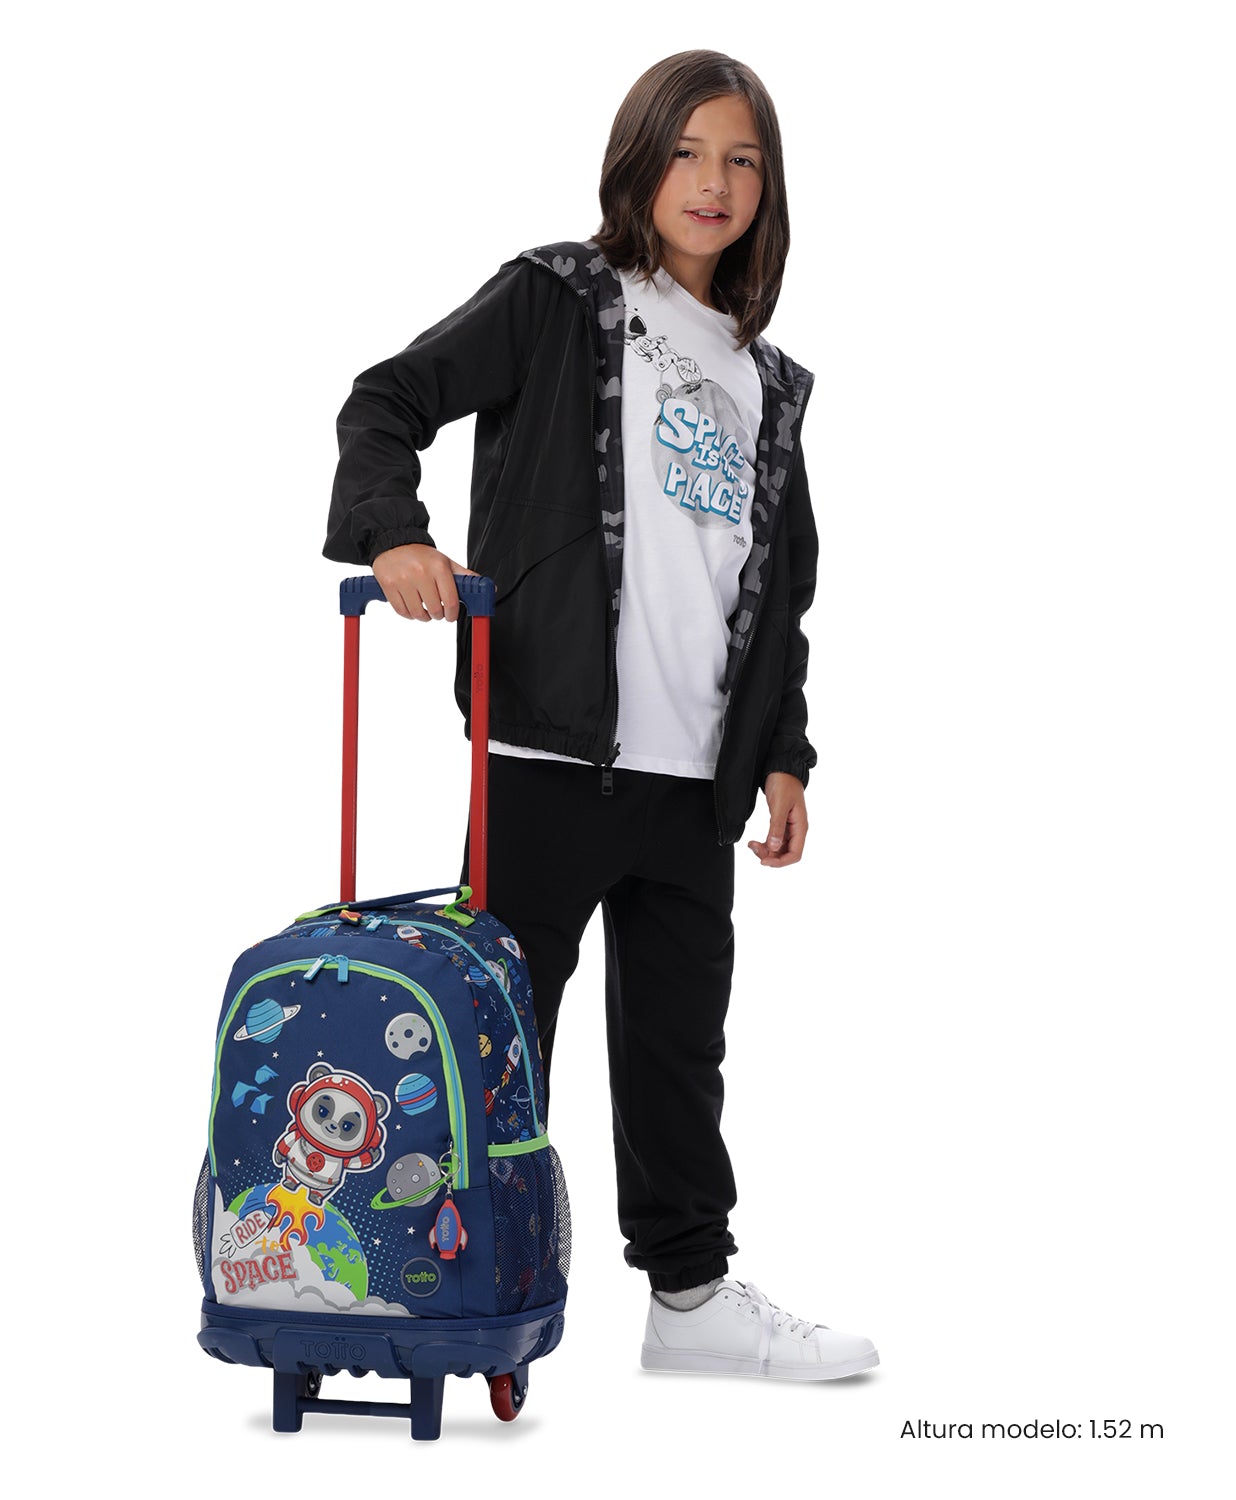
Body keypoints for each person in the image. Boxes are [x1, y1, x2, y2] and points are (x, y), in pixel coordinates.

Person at [324, 49, 877, 1381]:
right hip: (544, 754)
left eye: (742, 160)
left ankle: (689, 1300)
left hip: (695, 780)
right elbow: (386, 399)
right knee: (493, 1045)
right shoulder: (564, 299)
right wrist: (395, 534)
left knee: (680, 1053)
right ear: (639, 161)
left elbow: (780, 593)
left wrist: (784, 754)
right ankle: (430, 1286)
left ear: (769, 189)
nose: (714, 182)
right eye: (688, 152)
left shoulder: (768, 381)